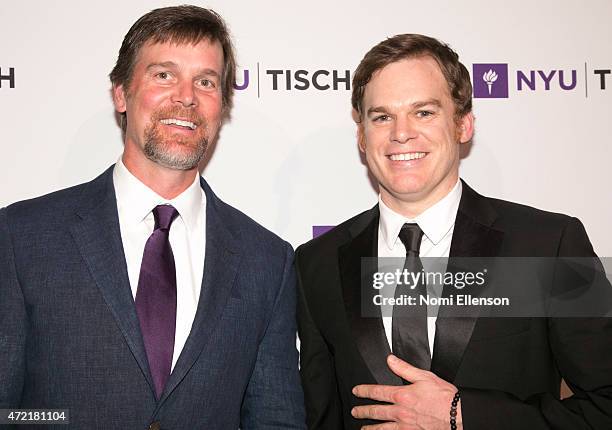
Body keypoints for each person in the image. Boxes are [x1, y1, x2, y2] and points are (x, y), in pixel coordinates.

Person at [0, 5, 305, 429]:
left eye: (205, 81)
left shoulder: (267, 261)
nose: (186, 96)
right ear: (121, 93)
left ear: (222, 106)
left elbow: (276, 420)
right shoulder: (23, 236)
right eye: (164, 75)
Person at [296, 34, 612, 429]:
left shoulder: (550, 244)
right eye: (381, 117)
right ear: (361, 136)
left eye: (424, 112)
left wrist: (464, 415)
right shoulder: (316, 263)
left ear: (463, 124)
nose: (401, 133)